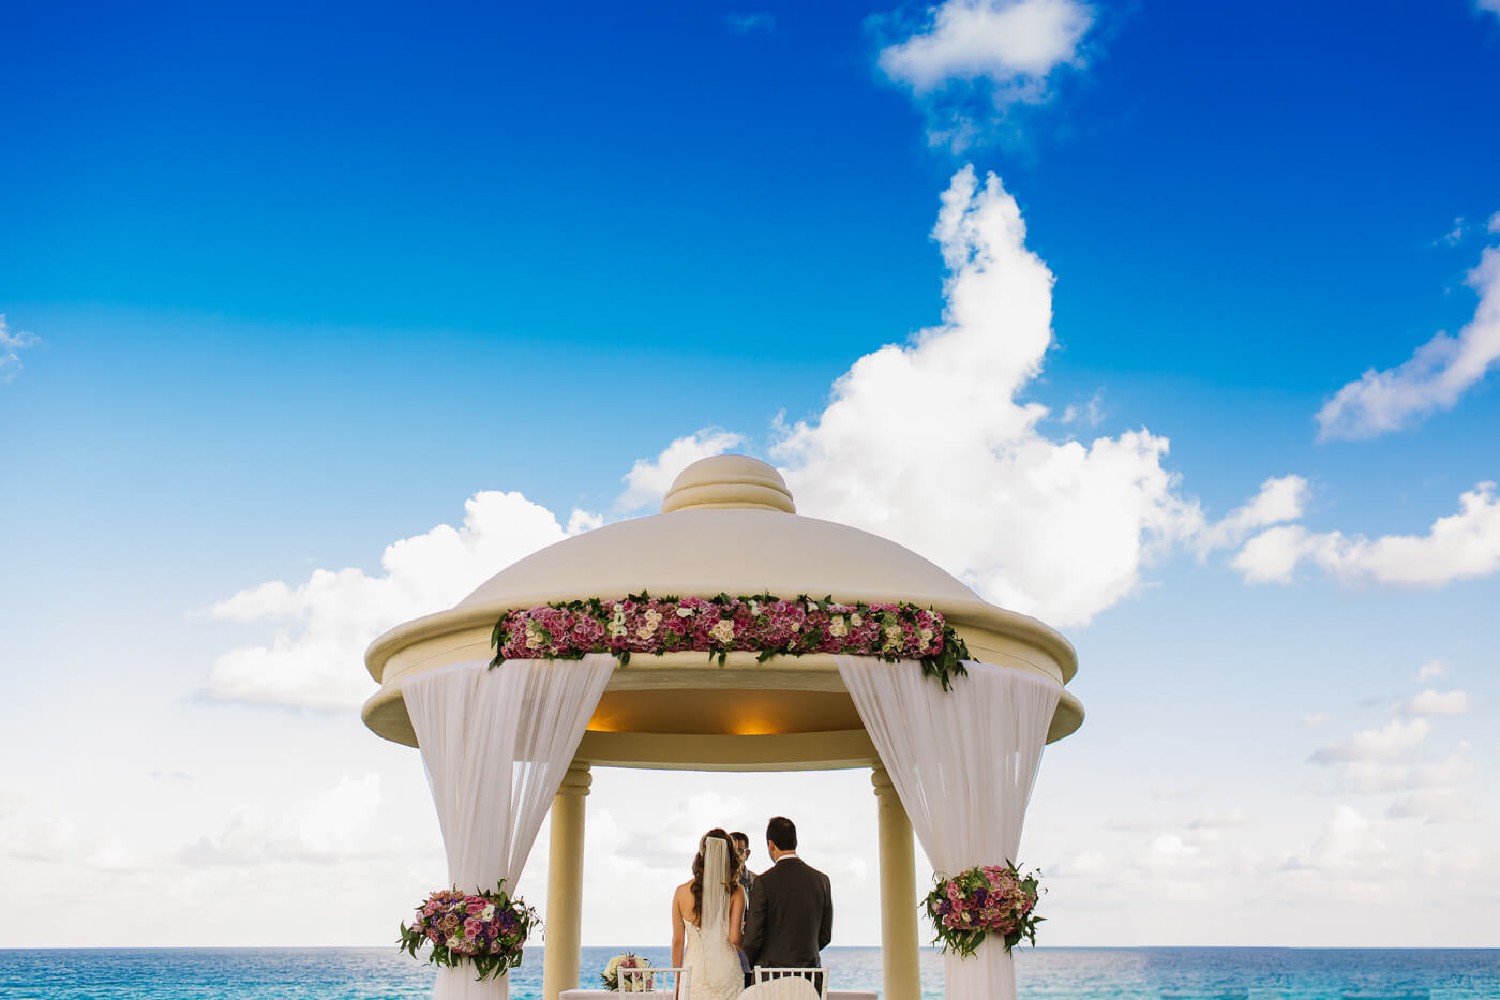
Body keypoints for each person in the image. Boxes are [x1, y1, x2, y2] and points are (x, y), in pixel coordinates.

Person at [742, 816, 832, 989]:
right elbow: (825, 935)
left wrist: (757, 963)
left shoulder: (763, 882)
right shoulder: (821, 880)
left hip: (771, 979)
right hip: (810, 980)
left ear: (771, 844)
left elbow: (752, 939)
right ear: (795, 841)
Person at [672, 828, 747, 1000]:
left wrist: (677, 985)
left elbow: (678, 941)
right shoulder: (737, 892)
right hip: (727, 971)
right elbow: (735, 938)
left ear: (702, 855)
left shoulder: (681, 892)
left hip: (694, 972)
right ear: (729, 856)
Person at [730, 831, 758, 986]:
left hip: (747, 958)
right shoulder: (720, 884)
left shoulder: (758, 882)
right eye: (732, 852)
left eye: (740, 851)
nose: (736, 856)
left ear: (747, 853)